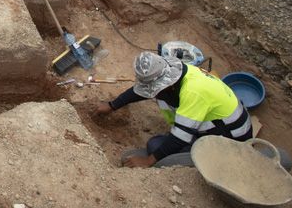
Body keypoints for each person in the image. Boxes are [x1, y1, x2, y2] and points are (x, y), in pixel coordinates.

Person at [93, 51, 253, 168]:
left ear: (168, 85)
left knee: (155, 147)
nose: (153, 94)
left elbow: (179, 138)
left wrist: (148, 161)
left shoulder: (193, 92)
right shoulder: (178, 71)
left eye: (155, 91)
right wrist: (112, 105)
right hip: (217, 128)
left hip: (231, 144)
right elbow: (141, 91)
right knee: (157, 145)